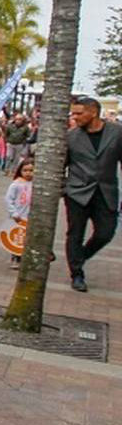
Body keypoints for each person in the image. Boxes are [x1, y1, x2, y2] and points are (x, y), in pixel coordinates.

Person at [64, 96, 122, 292]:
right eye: (73, 113)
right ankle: (76, 274)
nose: (74, 117)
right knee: (75, 234)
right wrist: (65, 188)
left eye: (79, 113)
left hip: (106, 192)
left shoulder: (117, 133)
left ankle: (80, 257)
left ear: (93, 112)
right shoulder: (71, 136)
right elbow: (61, 164)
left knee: (106, 233)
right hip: (77, 193)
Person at [5, 158, 34, 270]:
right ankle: (15, 258)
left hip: (30, 216)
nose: (28, 173)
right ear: (20, 171)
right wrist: (14, 213)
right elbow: (8, 199)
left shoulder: (35, 184)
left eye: (31, 170)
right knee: (18, 238)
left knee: (28, 239)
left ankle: (25, 259)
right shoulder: (16, 184)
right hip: (18, 217)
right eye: (25, 170)